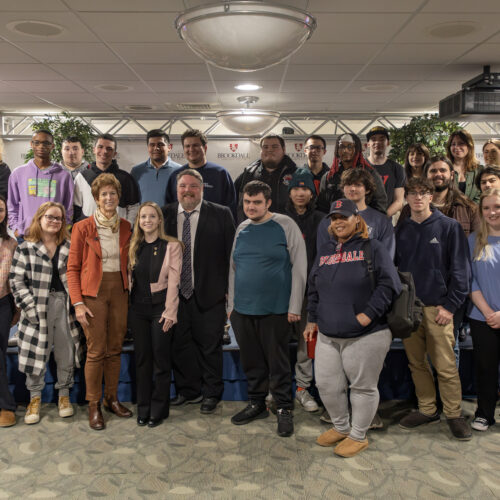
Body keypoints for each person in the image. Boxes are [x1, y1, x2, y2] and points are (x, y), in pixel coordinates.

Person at [304, 198, 401, 457]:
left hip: (366, 334)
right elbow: (313, 288)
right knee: (326, 385)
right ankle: (341, 427)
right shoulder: (325, 252)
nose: (338, 222)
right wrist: (312, 319)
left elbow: (389, 285)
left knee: (362, 387)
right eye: (334, 218)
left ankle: (358, 435)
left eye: (343, 217)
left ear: (356, 219)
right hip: (328, 333)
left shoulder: (373, 247)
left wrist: (367, 316)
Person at [228, 181, 307, 437]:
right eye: (247, 202)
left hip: (276, 309)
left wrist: (295, 305)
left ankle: (283, 407)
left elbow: (300, 267)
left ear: (268, 202)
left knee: (278, 363)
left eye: (257, 202)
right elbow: (233, 268)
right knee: (252, 362)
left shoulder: (286, 225)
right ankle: (257, 403)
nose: (251, 207)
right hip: (243, 310)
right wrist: (231, 307)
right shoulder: (241, 228)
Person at [395, 177, 472, 440]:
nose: (417, 197)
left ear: (431, 196)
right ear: (406, 198)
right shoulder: (401, 229)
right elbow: (395, 270)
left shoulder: (449, 227)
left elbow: (462, 272)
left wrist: (449, 307)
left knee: (446, 366)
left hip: (438, 309)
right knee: (416, 364)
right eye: (412, 193)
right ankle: (428, 409)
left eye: (423, 193)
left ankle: (453, 413)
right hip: (409, 311)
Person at [163, 169, 235, 414]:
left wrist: (228, 293)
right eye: (183, 186)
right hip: (175, 296)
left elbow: (230, 257)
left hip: (210, 294)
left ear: (202, 189)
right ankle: (187, 391)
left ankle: (211, 393)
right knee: (180, 346)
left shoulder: (222, 214)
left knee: (210, 347)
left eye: (193, 186)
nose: (187, 191)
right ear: (177, 189)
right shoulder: (166, 214)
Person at [68, 173, 132, 430]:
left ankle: (111, 398)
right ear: (95, 198)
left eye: (112, 193)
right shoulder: (82, 228)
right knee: (95, 351)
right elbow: (72, 268)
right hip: (92, 293)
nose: (108, 198)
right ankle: (93, 404)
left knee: (115, 348)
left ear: (118, 197)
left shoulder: (127, 226)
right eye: (103, 194)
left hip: (120, 291)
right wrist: (78, 303)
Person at [9, 202, 82, 425]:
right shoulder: (25, 247)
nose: (54, 221)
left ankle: (64, 395)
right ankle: (35, 398)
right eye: (50, 217)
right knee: (35, 351)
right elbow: (16, 281)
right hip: (36, 306)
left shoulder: (70, 246)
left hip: (63, 304)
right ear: (40, 218)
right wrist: (29, 307)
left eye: (59, 218)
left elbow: (78, 275)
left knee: (66, 350)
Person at [128, 202, 182, 428]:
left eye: (152, 216)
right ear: (138, 221)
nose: (147, 220)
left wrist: (170, 311)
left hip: (161, 309)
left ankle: (159, 409)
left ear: (159, 220)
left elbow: (174, 281)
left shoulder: (172, 245)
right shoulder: (133, 246)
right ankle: (143, 408)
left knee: (160, 359)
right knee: (142, 360)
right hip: (137, 310)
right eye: (143, 217)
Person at [285, 170, 323, 413]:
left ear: (312, 193)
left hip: (310, 292)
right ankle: (275, 386)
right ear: (289, 193)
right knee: (276, 341)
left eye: (305, 189)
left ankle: (302, 388)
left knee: (305, 343)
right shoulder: (278, 218)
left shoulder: (322, 219)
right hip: (281, 292)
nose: (300, 193)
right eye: (296, 189)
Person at [468, 188, 500, 432]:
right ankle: (484, 414)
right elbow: (471, 281)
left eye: (497, 207)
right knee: (485, 367)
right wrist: (489, 312)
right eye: (487, 208)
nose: (492, 212)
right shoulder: (473, 240)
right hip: (482, 317)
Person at [8, 130, 73, 238]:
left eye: (46, 143)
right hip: (26, 234)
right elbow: (12, 205)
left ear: (52, 146)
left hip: (53, 235)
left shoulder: (64, 176)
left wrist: (63, 230)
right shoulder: (18, 174)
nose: (41, 146)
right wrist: (15, 228)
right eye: (37, 142)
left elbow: (68, 208)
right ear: (31, 144)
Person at [317, 168, 395, 259]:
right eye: (348, 184)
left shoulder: (382, 221)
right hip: (337, 271)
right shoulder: (329, 220)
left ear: (367, 190)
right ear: (343, 188)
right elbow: (322, 257)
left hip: (370, 272)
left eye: (358, 185)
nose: (352, 189)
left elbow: (387, 258)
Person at [397, 157, 479, 238]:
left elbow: (476, 244)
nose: (438, 174)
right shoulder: (409, 209)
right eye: (433, 171)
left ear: (452, 175)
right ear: (426, 176)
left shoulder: (469, 208)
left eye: (443, 170)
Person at [165, 129, 236, 218]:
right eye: (187, 146)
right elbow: (170, 209)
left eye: (195, 145)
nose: (191, 149)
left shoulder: (220, 174)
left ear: (205, 148)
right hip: (184, 229)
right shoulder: (176, 175)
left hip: (214, 230)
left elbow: (231, 208)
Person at [73, 134, 140, 224]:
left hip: (117, 233)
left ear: (114, 154)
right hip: (89, 233)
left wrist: (128, 228)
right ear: (94, 150)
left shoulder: (126, 178)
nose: (104, 151)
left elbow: (133, 207)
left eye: (109, 149)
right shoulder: (82, 177)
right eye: (100, 147)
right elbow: (76, 207)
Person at [317, 133, 387, 215]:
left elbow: (380, 204)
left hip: (364, 224)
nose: (345, 150)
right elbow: (322, 208)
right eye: (342, 146)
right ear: (337, 150)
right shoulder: (329, 177)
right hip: (336, 224)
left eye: (350, 146)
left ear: (357, 149)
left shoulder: (370, 173)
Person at [235, 134, 297, 222]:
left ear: (284, 150)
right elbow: (238, 203)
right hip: (255, 229)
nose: (270, 150)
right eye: (265, 147)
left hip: (284, 228)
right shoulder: (249, 173)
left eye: (274, 147)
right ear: (261, 150)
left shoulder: (296, 173)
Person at [0, 196, 17, 427]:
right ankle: (6, 403)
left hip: (3, 304)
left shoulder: (11, 243)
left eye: (1, 209)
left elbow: (14, 278)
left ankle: (5, 405)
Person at [131, 129, 181, 207]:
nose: (156, 148)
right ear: (148, 147)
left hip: (170, 219)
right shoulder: (136, 171)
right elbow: (132, 203)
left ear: (169, 147)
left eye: (160, 144)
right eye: (152, 145)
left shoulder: (180, 171)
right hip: (144, 219)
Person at [366, 126, 405, 217]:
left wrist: (382, 218)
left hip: (385, 221)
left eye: (382, 139)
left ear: (388, 143)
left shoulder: (397, 169)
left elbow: (398, 201)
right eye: (373, 139)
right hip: (362, 221)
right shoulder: (359, 167)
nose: (377, 142)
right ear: (368, 144)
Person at [446, 130, 481, 203]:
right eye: (453, 144)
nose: (456, 147)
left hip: (473, 212)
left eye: (461, 143)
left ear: (469, 146)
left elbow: (480, 195)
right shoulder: (444, 169)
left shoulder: (479, 170)